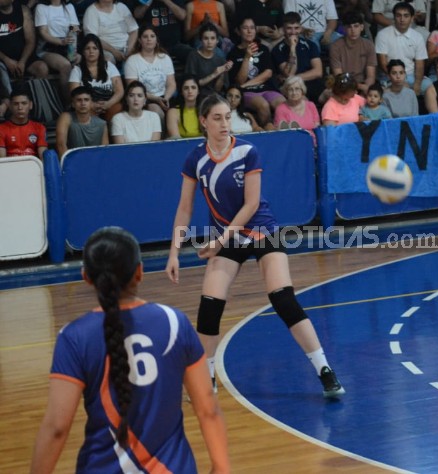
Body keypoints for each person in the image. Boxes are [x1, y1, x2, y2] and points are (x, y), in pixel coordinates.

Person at [165, 93, 346, 399]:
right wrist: (174, 252)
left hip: (261, 229)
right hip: (228, 236)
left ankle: (325, 370)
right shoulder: (196, 158)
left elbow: (250, 205)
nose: (225, 123)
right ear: (204, 122)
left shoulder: (247, 151)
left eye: (228, 117)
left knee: (283, 299)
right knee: (209, 306)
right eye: (218, 118)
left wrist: (220, 240)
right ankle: (206, 378)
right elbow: (184, 208)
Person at [30, 226, 230, 472]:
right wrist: (221, 467)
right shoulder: (174, 323)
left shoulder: (74, 337)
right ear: (139, 272)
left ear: (86, 277)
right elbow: (207, 408)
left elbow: (57, 428)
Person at [228, 15, 285, 128]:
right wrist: (246, 57)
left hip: (266, 88)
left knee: (282, 104)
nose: (249, 31)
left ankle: (281, 130)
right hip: (247, 92)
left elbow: (268, 73)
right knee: (263, 104)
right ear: (239, 31)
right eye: (245, 28)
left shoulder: (263, 49)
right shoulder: (233, 53)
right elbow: (239, 81)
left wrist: (246, 84)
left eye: (252, 28)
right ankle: (267, 131)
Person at [375, 2, 432, 96]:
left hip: (410, 76)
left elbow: (420, 64)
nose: (402, 19)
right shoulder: (383, 34)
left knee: (429, 86)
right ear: (394, 17)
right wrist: (398, 79)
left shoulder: (418, 36)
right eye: (398, 15)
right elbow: (383, 64)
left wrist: (417, 84)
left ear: (412, 18)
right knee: (398, 89)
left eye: (406, 16)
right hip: (389, 76)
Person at [124, 25, 177, 123]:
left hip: (165, 97)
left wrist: (165, 98)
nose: (149, 39)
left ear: (156, 40)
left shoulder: (165, 58)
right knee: (156, 111)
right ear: (139, 40)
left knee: (174, 113)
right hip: (143, 98)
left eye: (152, 36)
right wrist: (156, 99)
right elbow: (133, 88)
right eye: (145, 36)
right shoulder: (132, 61)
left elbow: (171, 84)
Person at [68, 34, 124, 122]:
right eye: (87, 48)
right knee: (86, 111)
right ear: (83, 51)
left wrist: (108, 104)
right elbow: (75, 95)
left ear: (100, 51)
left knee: (117, 109)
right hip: (87, 106)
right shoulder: (77, 70)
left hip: (108, 104)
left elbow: (119, 91)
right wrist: (92, 105)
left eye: (95, 48)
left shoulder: (109, 66)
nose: (91, 51)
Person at [271, 11, 324, 104]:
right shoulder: (277, 50)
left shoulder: (310, 45)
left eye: (296, 28)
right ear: (283, 29)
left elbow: (318, 72)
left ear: (300, 28)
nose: (293, 32)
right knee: (304, 103)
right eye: (289, 28)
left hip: (312, 83)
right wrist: (292, 49)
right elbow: (289, 73)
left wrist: (295, 77)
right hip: (292, 87)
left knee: (331, 96)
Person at [34, 0, 81, 104]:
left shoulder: (69, 7)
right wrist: (61, 42)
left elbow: (75, 28)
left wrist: (72, 34)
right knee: (65, 65)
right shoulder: (41, 7)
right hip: (48, 47)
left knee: (80, 59)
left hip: (67, 45)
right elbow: (43, 32)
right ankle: (69, 103)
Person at [0, 0, 49, 95]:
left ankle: (35, 102)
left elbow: (30, 41)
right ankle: (9, 103)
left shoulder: (23, 10)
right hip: (2, 60)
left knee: (41, 68)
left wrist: (22, 61)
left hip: (23, 58)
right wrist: (6, 60)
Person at [328, 11, 377, 96]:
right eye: (349, 27)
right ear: (344, 28)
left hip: (362, 84)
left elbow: (371, 76)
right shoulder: (335, 47)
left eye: (356, 26)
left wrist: (366, 87)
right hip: (342, 85)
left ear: (362, 27)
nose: (353, 30)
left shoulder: (369, 45)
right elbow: (339, 77)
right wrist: (358, 87)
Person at [55, 86, 108, 156]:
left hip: (95, 162)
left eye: (86, 100)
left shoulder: (101, 124)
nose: (83, 103)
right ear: (73, 104)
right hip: (72, 162)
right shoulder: (66, 117)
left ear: (91, 103)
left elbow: (105, 150)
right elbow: (61, 145)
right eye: (79, 100)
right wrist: (69, 165)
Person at [82, 0, 139, 64]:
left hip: (126, 48)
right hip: (105, 50)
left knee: (139, 58)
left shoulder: (121, 7)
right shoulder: (91, 11)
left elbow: (134, 31)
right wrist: (114, 51)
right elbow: (92, 38)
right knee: (108, 60)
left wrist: (129, 49)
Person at [185, 23, 232, 97]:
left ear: (217, 40)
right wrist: (214, 74)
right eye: (206, 38)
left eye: (213, 38)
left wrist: (222, 72)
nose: (209, 42)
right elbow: (192, 84)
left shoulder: (220, 59)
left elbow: (217, 89)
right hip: (197, 96)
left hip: (215, 97)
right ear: (201, 40)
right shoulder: (193, 56)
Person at [0, 88, 47, 160]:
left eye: (24, 103)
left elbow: (43, 157)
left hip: (33, 168)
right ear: (10, 106)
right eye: (16, 104)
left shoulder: (39, 128)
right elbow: (2, 160)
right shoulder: (1, 129)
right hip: (10, 168)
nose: (20, 107)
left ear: (30, 105)